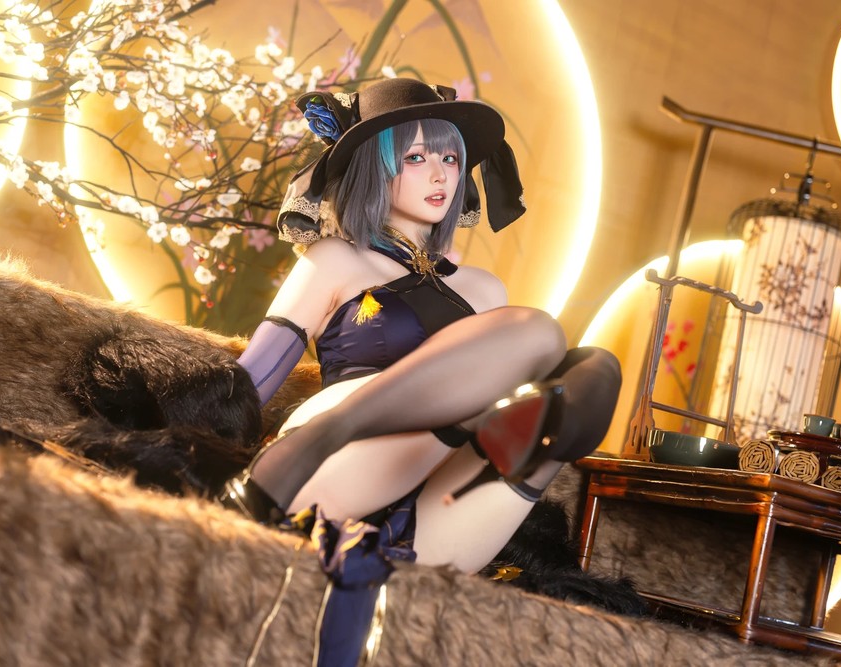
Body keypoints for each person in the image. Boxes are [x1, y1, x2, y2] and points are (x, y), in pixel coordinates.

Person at [223, 78, 621, 575]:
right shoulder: (335, 259)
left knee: (592, 373)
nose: (440, 175)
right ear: (374, 167)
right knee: (539, 332)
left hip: (437, 503)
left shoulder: (484, 290)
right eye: (416, 158)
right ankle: (314, 442)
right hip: (330, 469)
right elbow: (250, 382)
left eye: (450, 159)